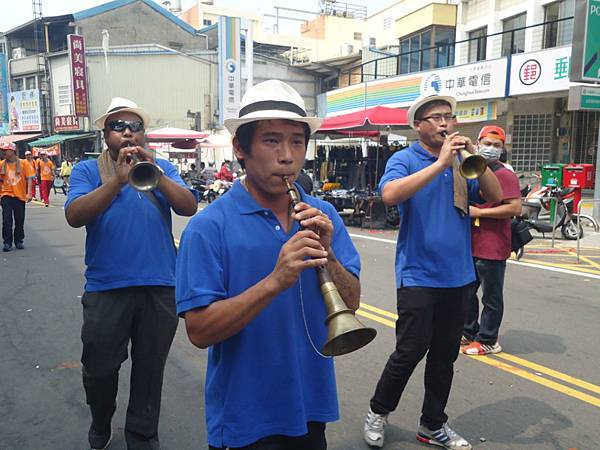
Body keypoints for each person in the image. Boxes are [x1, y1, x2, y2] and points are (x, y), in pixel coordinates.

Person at [176, 79, 362, 450]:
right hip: (246, 418)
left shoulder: (323, 214)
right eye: (272, 140)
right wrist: (276, 281)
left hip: (312, 407)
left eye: (297, 141)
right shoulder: (208, 226)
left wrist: (330, 256)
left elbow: (352, 303)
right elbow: (199, 332)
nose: (287, 156)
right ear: (240, 149)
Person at [363, 94, 502, 450]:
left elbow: (495, 196)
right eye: (436, 118)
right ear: (418, 125)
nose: (444, 123)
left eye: (448, 117)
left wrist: (475, 157)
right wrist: (440, 163)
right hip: (418, 276)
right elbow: (390, 195)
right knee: (409, 351)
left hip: (459, 277)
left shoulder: (461, 162)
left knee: (444, 358)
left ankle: (432, 425)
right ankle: (378, 411)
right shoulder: (404, 159)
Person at [65, 97, 198, 450]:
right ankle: (101, 416)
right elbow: (75, 215)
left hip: (159, 287)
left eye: (135, 127)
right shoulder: (88, 171)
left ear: (145, 134)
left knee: (149, 370)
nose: (127, 133)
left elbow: (188, 205)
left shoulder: (161, 166)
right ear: (105, 134)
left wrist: (154, 171)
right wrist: (118, 181)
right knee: (99, 369)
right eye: (118, 126)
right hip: (107, 288)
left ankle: (142, 435)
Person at [461, 126, 521, 355]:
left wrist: (480, 213)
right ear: (477, 143)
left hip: (493, 245)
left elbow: (515, 208)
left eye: (496, 145)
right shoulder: (472, 169)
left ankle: (488, 339)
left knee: (491, 296)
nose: (491, 149)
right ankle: (469, 331)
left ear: (503, 148)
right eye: (487, 143)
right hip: (471, 244)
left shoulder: (504, 173)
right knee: (466, 291)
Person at [0, 141, 35, 252]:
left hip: (19, 196)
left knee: (19, 219)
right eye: (3, 150)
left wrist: (29, 193)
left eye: (6, 150)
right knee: (6, 219)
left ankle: (19, 240)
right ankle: (7, 242)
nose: (4, 152)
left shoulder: (24, 163)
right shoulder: (2, 164)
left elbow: (29, 178)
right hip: (6, 194)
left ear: (13, 151)